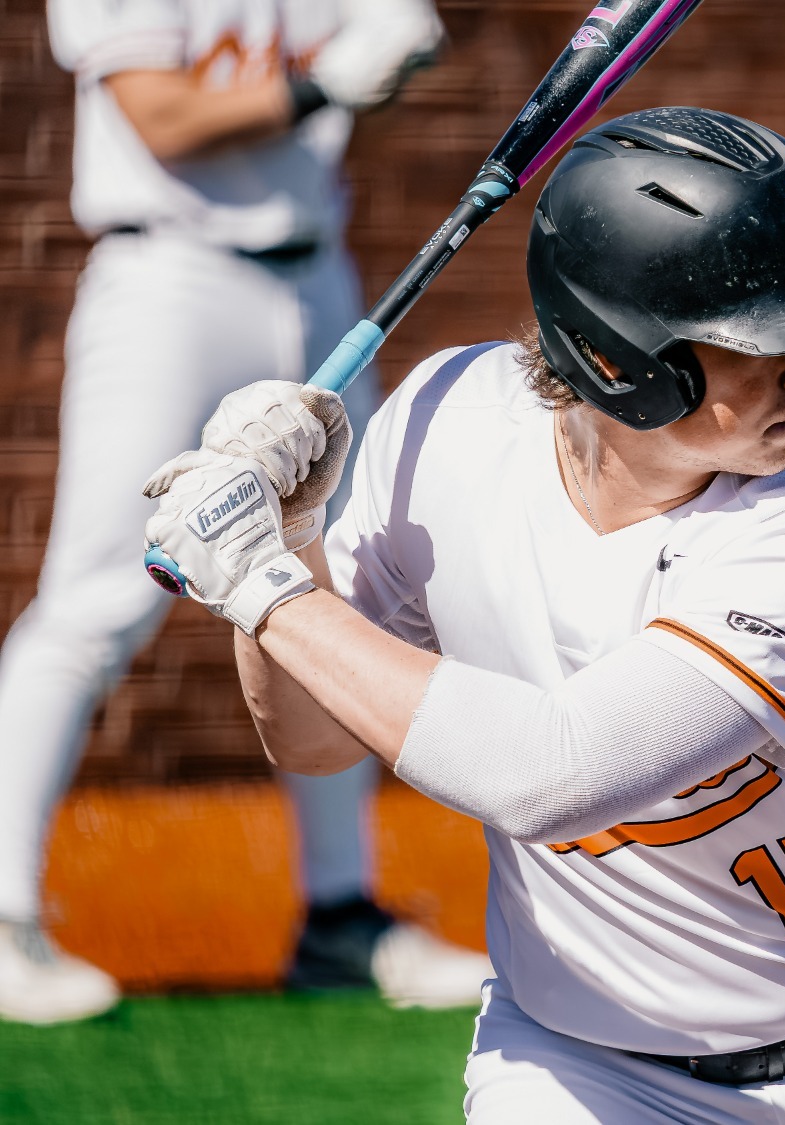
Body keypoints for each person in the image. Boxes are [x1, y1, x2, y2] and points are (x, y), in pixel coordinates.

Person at [141, 106, 785, 1123]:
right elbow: (309, 741)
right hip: (587, 1074)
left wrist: (262, 584)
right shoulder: (448, 424)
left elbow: (553, 776)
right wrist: (295, 537)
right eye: (761, 338)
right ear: (618, 356)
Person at [0, 0, 489, 1025]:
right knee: (98, 600)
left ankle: (339, 915)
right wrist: (324, 83)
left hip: (317, 276)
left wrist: (384, 74)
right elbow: (164, 118)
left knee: (338, 583)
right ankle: (3, 918)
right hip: (167, 279)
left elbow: (335, 124)